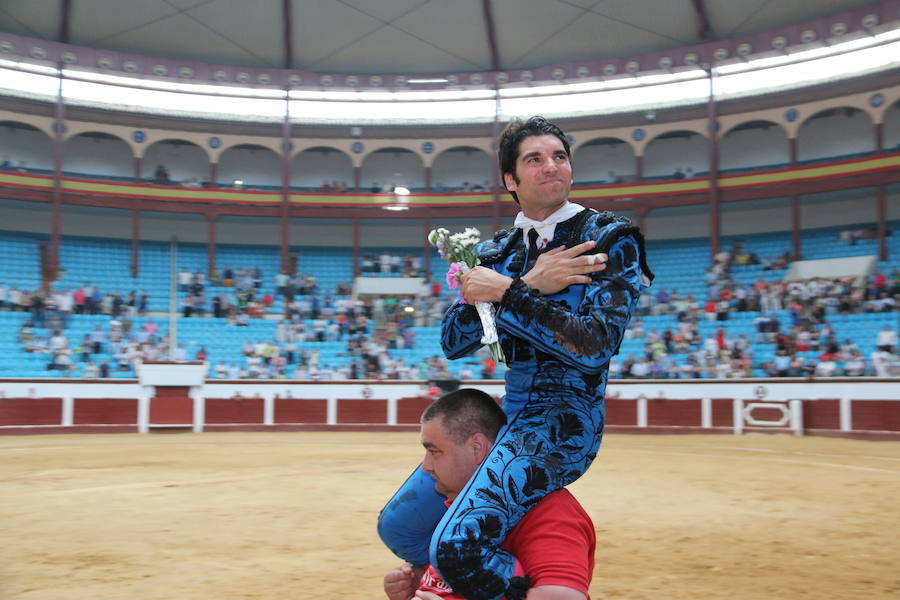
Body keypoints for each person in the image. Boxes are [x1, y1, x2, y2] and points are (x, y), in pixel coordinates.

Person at [378, 116, 652, 600]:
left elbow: (593, 347)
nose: (551, 166)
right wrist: (526, 284)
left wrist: (508, 292)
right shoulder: (497, 251)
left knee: (458, 548)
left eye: (559, 156)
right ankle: (473, 575)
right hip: (510, 415)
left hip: (565, 426)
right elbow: (453, 339)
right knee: (398, 526)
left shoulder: (609, 236)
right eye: (535, 159)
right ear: (511, 179)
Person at [382, 389, 595, 600]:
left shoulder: (549, 511)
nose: (426, 466)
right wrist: (421, 580)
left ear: (477, 448)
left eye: (434, 451)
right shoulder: (456, 504)